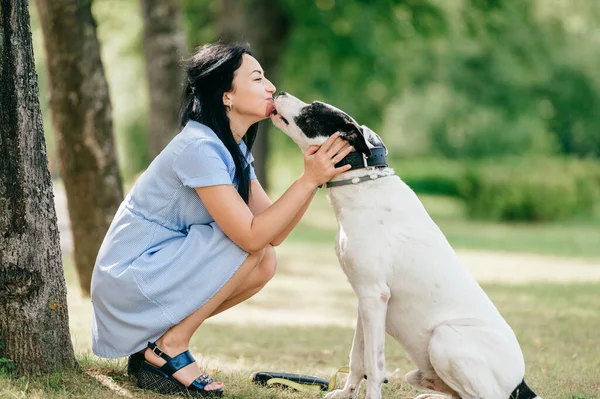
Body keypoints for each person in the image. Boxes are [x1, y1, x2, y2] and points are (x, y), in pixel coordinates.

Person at [90, 42, 354, 397]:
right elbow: (250, 236)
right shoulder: (198, 147)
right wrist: (308, 179)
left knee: (264, 260)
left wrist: (312, 180)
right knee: (250, 247)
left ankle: (158, 345)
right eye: (258, 78)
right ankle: (170, 346)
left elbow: (271, 232)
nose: (271, 87)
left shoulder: (230, 146)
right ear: (226, 95)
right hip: (129, 276)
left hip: (154, 269)